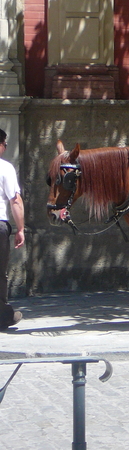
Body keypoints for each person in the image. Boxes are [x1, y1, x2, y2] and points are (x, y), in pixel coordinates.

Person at [0, 129, 24, 330]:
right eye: (5, 145)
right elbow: (15, 200)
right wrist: (20, 229)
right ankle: (2, 315)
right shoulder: (5, 168)